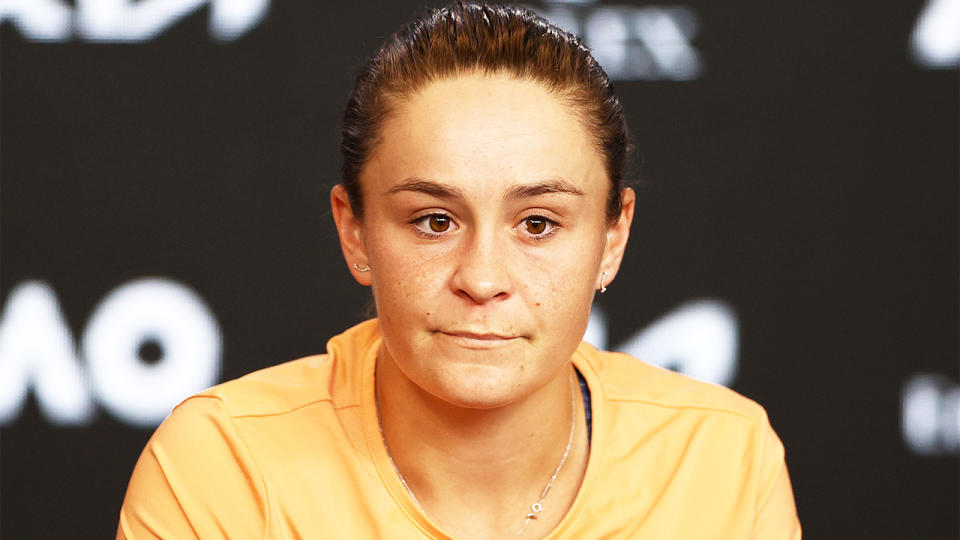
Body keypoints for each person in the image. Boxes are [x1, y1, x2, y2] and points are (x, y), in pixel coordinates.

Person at [117, 2, 801, 539]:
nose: (481, 278)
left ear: (612, 237)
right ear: (354, 231)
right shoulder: (226, 466)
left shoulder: (722, 458)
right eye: (433, 221)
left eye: (538, 224)